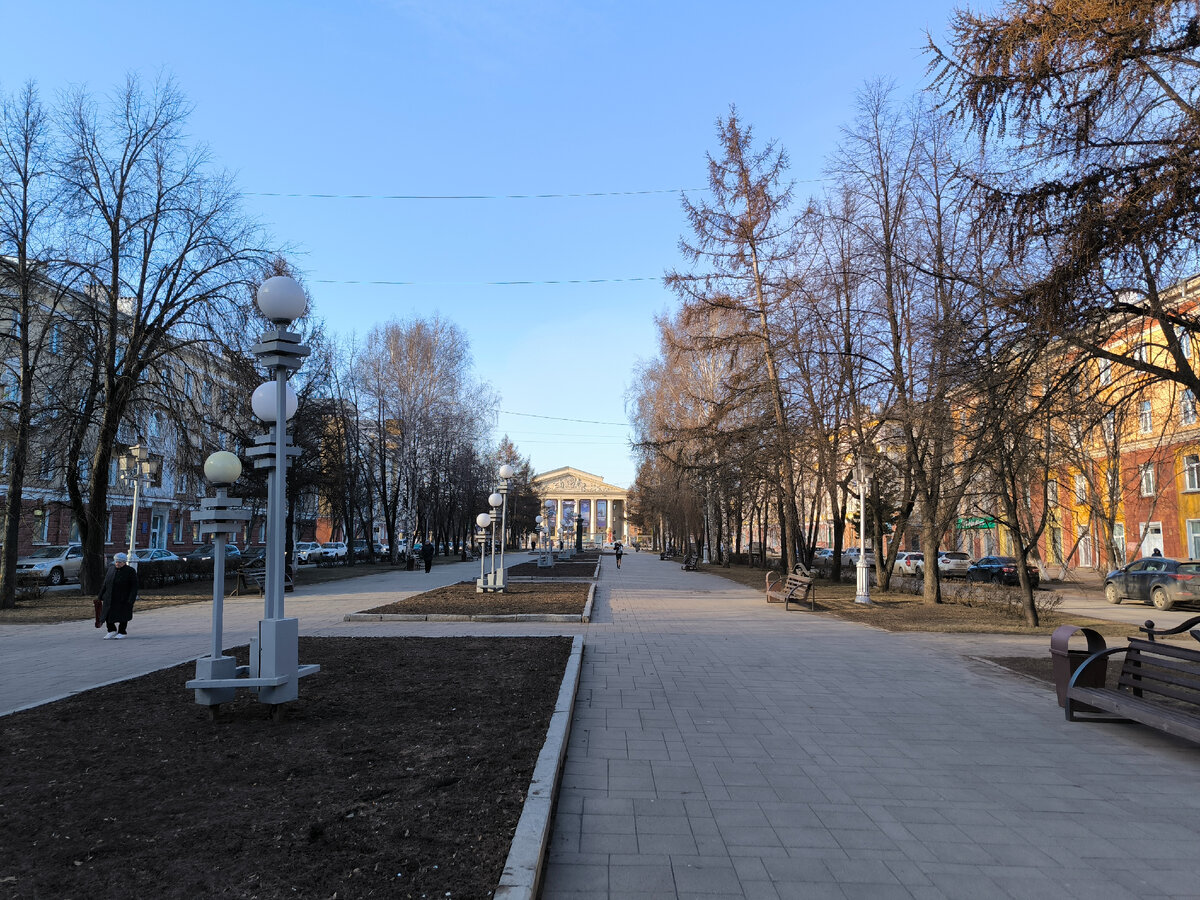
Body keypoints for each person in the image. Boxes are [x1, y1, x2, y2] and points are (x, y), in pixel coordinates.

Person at [98, 551, 138, 639]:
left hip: (123, 598)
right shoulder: (111, 569)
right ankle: (111, 630)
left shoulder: (130, 571)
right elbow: (105, 583)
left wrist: (131, 599)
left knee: (123, 615)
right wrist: (100, 595)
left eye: (120, 562)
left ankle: (122, 632)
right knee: (107, 614)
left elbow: (134, 586)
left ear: (124, 562)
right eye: (116, 561)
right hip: (109, 597)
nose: (117, 563)